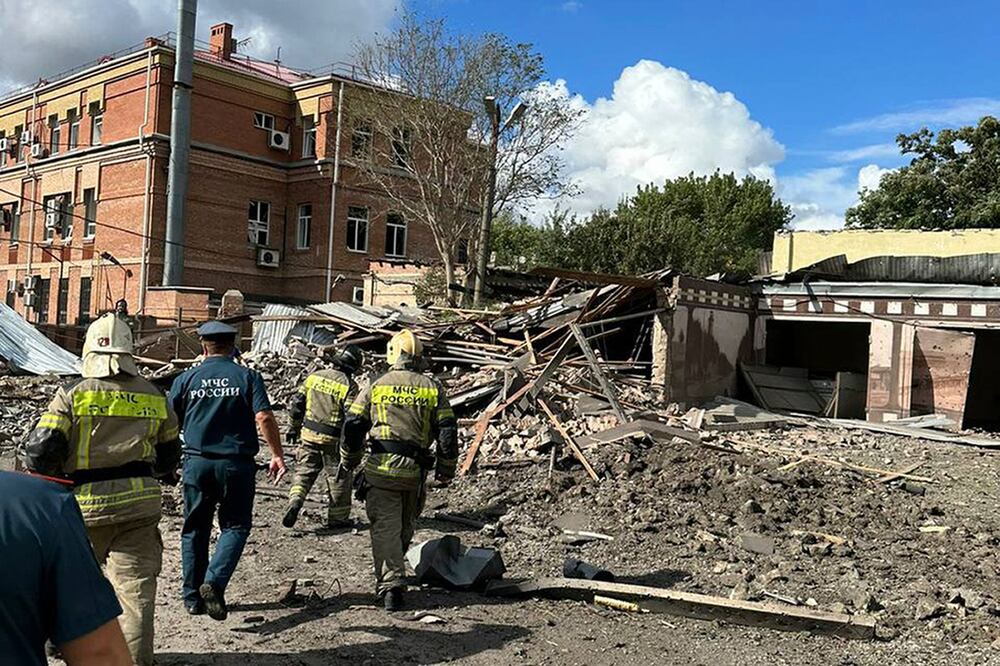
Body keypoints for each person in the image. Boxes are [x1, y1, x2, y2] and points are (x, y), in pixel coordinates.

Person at [21, 313, 182, 666]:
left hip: (82, 509)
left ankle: (61, 645)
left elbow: (40, 451)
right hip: (139, 506)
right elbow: (170, 455)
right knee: (136, 594)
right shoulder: (155, 395)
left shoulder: (73, 393)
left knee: (71, 585)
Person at [169, 320, 286, 621]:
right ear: (233, 345)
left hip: (196, 464)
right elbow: (264, 417)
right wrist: (277, 454)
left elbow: (168, 424)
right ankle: (215, 582)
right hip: (236, 465)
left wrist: (167, 464)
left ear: (204, 345)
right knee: (234, 526)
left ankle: (192, 598)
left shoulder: (186, 379)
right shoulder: (248, 376)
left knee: (195, 529)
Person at [342, 329, 458, 612]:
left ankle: (391, 585)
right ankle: (393, 576)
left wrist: (350, 458)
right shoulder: (432, 388)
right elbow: (447, 429)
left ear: (393, 354)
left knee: (385, 529)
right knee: (405, 528)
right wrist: (446, 468)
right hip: (414, 475)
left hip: (381, 471)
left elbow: (354, 424)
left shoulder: (377, 385)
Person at [0, 470, 133, 666]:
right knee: (135, 582)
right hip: (130, 500)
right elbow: (101, 655)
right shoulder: (37, 502)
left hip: (91, 499)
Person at [283, 345, 364, 530]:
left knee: (304, 473)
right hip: (333, 441)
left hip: (308, 435)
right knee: (339, 479)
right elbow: (351, 418)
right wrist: (352, 446)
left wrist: (293, 427)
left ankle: (295, 501)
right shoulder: (349, 385)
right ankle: (338, 519)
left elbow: (297, 403)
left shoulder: (314, 377)